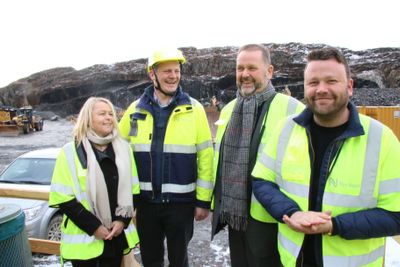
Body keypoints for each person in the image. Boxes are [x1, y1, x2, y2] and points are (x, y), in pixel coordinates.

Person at [252, 47, 400, 267]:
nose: (321, 89)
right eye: (313, 83)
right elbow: (261, 181)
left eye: (331, 81)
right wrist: (291, 212)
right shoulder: (285, 129)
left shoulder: (382, 139)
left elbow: (395, 216)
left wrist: (335, 225)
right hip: (293, 262)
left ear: (349, 87)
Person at [211, 44, 305, 267]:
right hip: (236, 215)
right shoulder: (229, 110)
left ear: (269, 71)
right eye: (240, 68)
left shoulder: (294, 109)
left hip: (274, 218)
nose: (244, 74)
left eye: (252, 68)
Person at [119, 48, 214, 267]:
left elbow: (206, 158)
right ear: (152, 75)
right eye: (167, 71)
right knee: (151, 260)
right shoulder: (134, 110)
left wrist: (203, 201)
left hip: (180, 205)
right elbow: (118, 152)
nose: (173, 76)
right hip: (146, 205)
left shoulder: (195, 109)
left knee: (179, 261)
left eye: (176, 70)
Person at [49, 97, 140, 267]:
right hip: (85, 241)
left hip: (115, 238)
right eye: (102, 114)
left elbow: (134, 190)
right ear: (88, 118)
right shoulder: (70, 152)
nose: (109, 118)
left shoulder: (124, 149)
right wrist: (95, 227)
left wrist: (122, 221)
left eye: (111, 114)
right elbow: (63, 198)